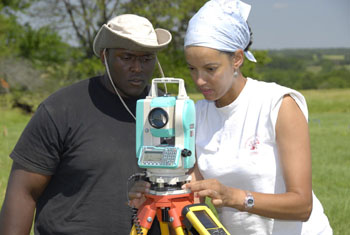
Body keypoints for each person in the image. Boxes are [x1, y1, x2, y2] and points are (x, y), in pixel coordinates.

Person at [0, 14, 171, 234]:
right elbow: (23, 193)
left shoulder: (169, 111)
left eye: (147, 58)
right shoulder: (62, 109)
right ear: (104, 56)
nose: (137, 67)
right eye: (126, 57)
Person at [181, 0, 333, 234]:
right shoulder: (196, 115)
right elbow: (194, 196)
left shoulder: (278, 104)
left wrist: (235, 197)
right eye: (192, 69)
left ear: (237, 59)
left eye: (210, 69)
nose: (199, 80)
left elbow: (302, 205)